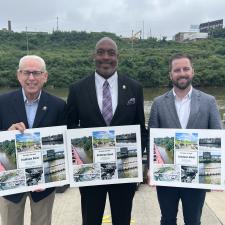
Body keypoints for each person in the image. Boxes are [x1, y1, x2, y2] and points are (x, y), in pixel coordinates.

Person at [67, 37, 147, 225]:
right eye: (101, 52)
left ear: (117, 57)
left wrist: (132, 160)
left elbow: (141, 129)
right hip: (90, 173)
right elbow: (69, 129)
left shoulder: (135, 88)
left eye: (111, 53)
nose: (106, 57)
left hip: (124, 173)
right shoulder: (77, 89)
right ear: (94, 56)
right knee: (91, 220)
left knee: (122, 220)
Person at [148, 53, 222, 225]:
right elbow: (151, 139)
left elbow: (217, 137)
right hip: (167, 175)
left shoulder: (209, 101)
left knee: (193, 221)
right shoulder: (158, 103)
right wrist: (151, 168)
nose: (182, 73)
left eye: (185, 69)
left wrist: (217, 171)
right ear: (171, 75)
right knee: (167, 220)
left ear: (192, 71)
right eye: (177, 70)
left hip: (196, 177)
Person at [0, 55, 66, 225]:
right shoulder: (2, 103)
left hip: (44, 184)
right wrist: (6, 135)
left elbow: (65, 145)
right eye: (26, 73)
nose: (31, 78)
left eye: (36, 73)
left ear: (45, 76)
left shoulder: (58, 106)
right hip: (11, 183)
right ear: (18, 75)